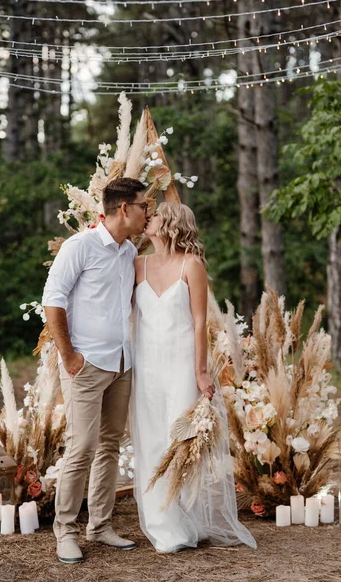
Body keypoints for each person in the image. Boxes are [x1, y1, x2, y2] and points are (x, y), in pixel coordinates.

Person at [130, 202, 256, 553]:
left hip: (182, 365)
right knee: (150, 440)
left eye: (154, 215)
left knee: (179, 439)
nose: (148, 218)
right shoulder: (137, 263)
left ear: (169, 223)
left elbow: (200, 323)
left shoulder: (192, 265)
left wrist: (201, 372)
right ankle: (163, 525)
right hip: (146, 366)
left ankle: (182, 515)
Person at [42, 177, 149, 564]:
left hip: (122, 362)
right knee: (81, 446)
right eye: (143, 206)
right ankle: (65, 530)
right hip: (86, 365)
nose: (147, 213)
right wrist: (69, 355)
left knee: (109, 446)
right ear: (124, 208)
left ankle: (100, 525)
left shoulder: (128, 251)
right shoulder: (80, 247)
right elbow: (52, 300)